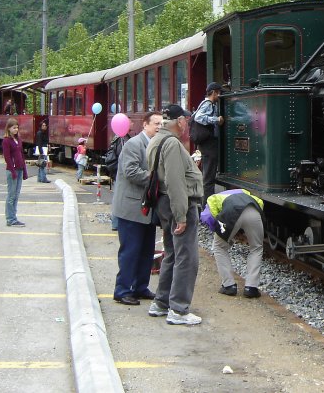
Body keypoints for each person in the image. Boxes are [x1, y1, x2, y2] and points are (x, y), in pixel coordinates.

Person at [146, 104, 204, 325]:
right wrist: (181, 216)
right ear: (179, 121)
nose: (186, 124)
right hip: (178, 205)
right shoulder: (171, 143)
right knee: (186, 257)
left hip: (164, 203)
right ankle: (178, 309)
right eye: (186, 121)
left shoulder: (156, 140)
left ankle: (161, 303)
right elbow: (175, 181)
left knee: (171, 253)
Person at [112, 111, 163, 306]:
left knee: (146, 251)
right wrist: (155, 179)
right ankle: (122, 290)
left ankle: (140, 287)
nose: (159, 127)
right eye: (156, 123)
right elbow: (131, 171)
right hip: (131, 208)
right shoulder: (134, 144)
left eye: (161, 124)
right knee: (130, 251)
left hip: (147, 209)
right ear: (145, 124)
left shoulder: (156, 145)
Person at [201, 189, 265, 298]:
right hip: (253, 209)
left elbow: (209, 217)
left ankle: (228, 285)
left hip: (230, 212)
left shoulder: (213, 198)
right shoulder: (245, 193)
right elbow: (260, 203)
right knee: (257, 247)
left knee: (219, 246)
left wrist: (224, 235)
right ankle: (251, 288)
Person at [192, 82, 223, 203]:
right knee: (208, 178)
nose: (219, 96)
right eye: (219, 93)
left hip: (205, 144)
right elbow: (198, 117)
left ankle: (205, 204)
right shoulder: (208, 104)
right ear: (214, 92)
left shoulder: (205, 104)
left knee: (207, 176)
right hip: (208, 145)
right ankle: (207, 207)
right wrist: (216, 119)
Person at [2, 118, 28, 227]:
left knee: (16, 195)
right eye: (14, 128)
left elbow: (21, 155)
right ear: (8, 128)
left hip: (20, 169)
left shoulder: (18, 139)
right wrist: (12, 171)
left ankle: (14, 217)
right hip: (12, 170)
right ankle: (10, 219)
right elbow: (7, 157)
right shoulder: (6, 141)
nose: (16, 130)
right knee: (11, 195)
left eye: (17, 127)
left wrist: (25, 170)